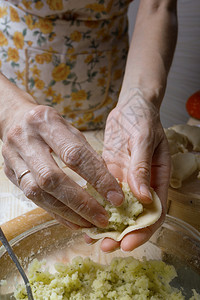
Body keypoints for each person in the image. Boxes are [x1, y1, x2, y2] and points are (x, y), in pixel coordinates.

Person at [0, 0, 177, 252]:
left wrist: (140, 100)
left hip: (114, 104)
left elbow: (158, 6)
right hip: (9, 102)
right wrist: (8, 111)